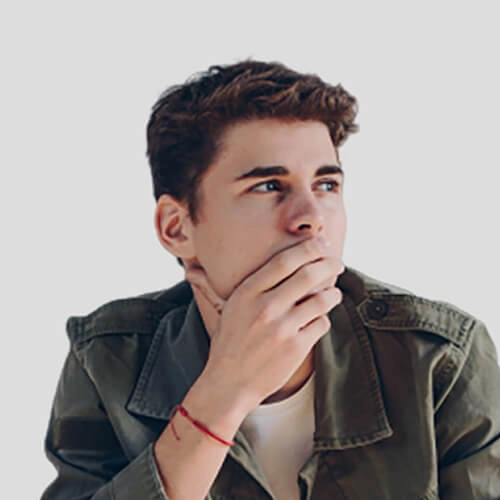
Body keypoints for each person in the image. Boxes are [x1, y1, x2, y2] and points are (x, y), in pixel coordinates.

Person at [42, 60, 500, 500]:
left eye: (326, 185)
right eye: (268, 186)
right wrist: (224, 390)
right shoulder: (107, 359)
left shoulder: (439, 359)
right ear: (177, 229)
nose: (311, 218)